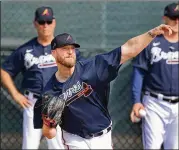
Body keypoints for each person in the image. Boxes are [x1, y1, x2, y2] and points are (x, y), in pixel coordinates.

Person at [36, 23, 172, 149]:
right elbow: (50, 134)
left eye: (72, 48)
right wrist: (49, 124)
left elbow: (128, 49)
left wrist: (151, 33)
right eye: (65, 49)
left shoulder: (93, 68)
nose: (70, 52)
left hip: (103, 137)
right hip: (74, 140)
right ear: (54, 53)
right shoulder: (50, 91)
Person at [1, 6, 82, 149]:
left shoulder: (64, 49)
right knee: (29, 146)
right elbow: (4, 71)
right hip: (33, 103)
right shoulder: (25, 50)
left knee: (59, 147)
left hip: (58, 101)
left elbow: (79, 69)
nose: (45, 26)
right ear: (35, 23)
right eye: (41, 22)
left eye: (49, 21)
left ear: (54, 23)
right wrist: (15, 94)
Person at [130, 2, 179, 150]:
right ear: (165, 18)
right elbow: (139, 72)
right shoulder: (152, 42)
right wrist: (136, 101)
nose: (177, 21)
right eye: (173, 17)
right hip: (154, 103)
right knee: (152, 147)